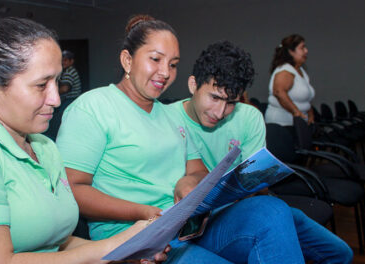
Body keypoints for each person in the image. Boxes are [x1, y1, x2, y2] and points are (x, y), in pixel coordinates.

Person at [0, 17, 168, 264]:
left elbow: (56, 244)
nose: (56, 99)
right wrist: (110, 249)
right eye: (42, 85)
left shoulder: (44, 147)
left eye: (56, 81)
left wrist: (125, 252)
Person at [56, 14, 308, 263]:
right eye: (155, 59)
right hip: (134, 236)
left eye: (173, 64)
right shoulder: (93, 107)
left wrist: (187, 183)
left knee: (272, 210)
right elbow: (73, 189)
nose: (165, 72)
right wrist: (146, 213)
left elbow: (199, 171)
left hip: (184, 227)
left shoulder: (170, 114)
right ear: (127, 60)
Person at [168, 40, 353, 263]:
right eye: (214, 97)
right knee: (269, 216)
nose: (220, 112)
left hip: (238, 209)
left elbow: (253, 183)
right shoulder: (167, 120)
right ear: (193, 84)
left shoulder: (248, 117)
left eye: (231, 102)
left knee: (340, 253)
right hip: (192, 226)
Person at [264, 34, 315, 126]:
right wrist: (296, 112)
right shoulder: (285, 70)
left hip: (297, 124)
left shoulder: (300, 70)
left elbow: (306, 99)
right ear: (291, 51)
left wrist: (310, 114)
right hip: (282, 124)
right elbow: (279, 92)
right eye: (302, 48)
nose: (306, 51)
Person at [43, 50, 82, 140]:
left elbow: (65, 89)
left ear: (71, 61)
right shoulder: (68, 71)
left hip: (70, 100)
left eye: (65, 60)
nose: (63, 62)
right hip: (69, 99)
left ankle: (55, 138)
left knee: (58, 119)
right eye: (62, 60)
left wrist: (50, 93)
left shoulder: (69, 72)